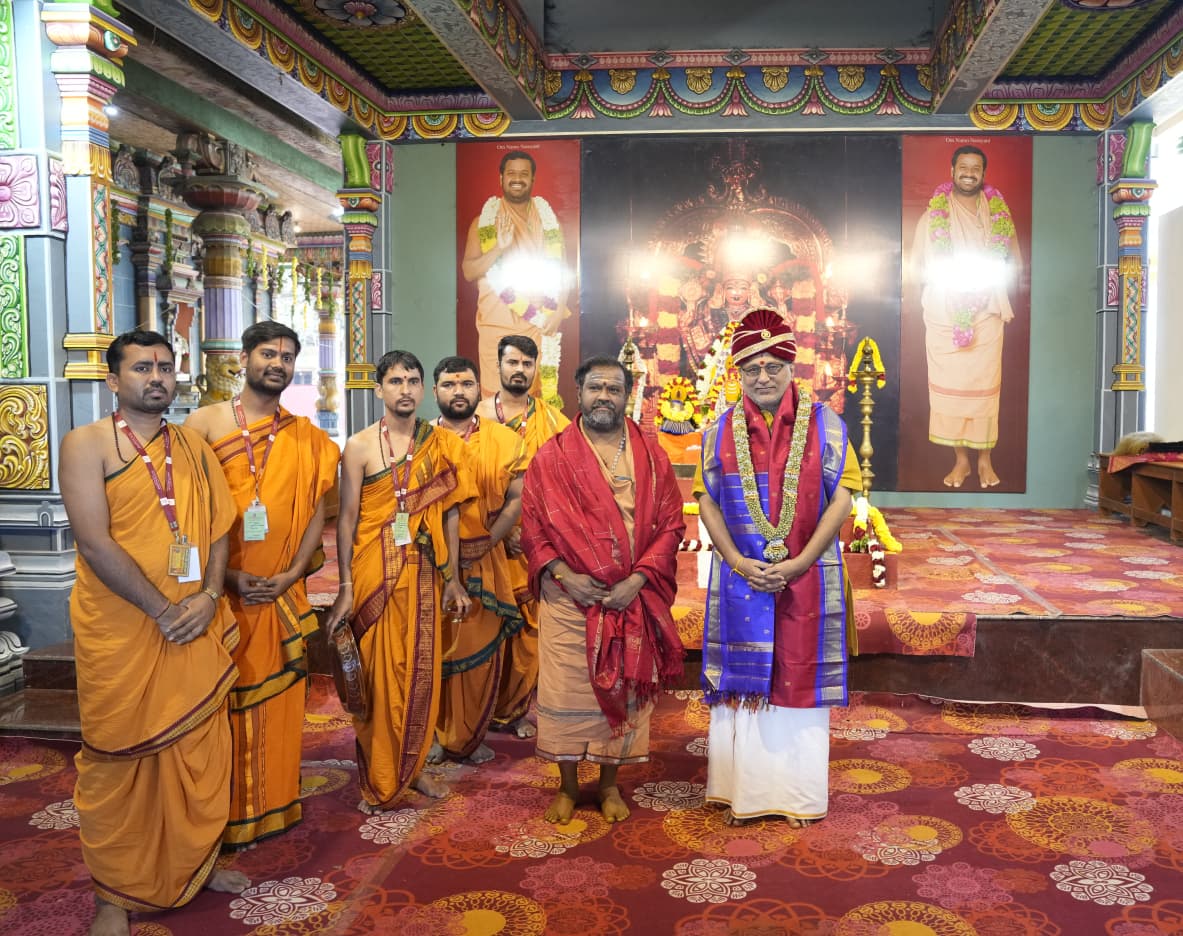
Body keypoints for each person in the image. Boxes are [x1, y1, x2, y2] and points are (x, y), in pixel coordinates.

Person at [59, 330, 249, 936]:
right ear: (114, 380)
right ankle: (113, 893)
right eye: (143, 368)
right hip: (123, 629)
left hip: (195, 617)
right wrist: (162, 610)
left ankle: (199, 859)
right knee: (118, 759)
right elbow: (94, 542)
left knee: (201, 746)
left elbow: (219, 527)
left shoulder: (192, 446)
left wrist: (211, 594)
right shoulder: (85, 445)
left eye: (166, 367)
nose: (158, 377)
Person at [694, 308, 862, 828]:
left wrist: (801, 562)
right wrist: (741, 563)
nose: (762, 377)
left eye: (772, 366)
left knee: (797, 678)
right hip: (740, 580)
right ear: (737, 374)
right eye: (751, 369)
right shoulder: (718, 429)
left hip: (807, 577)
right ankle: (740, 793)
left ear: (792, 367)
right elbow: (707, 501)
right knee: (743, 688)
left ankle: (797, 797)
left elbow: (845, 495)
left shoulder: (825, 425)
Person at [184, 320, 339, 848]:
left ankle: (272, 805)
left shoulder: (307, 438)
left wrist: (294, 574)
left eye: (288, 356)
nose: (278, 363)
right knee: (225, 706)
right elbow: (186, 516)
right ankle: (221, 817)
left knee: (280, 707)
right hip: (221, 595)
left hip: (281, 594)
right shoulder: (203, 426)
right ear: (244, 357)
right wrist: (224, 576)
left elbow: (317, 510)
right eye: (268, 353)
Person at [520, 355, 685, 825]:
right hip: (569, 599)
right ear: (579, 392)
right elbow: (531, 528)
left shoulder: (651, 456)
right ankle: (569, 787)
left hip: (630, 597)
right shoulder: (552, 456)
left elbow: (672, 525)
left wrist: (637, 580)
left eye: (614, 389)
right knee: (568, 694)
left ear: (627, 395)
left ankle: (610, 784)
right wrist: (564, 576)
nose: (604, 397)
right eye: (596, 388)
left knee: (624, 691)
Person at [325, 350, 475, 813]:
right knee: (377, 677)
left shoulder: (443, 444)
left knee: (420, 674)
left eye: (412, 380)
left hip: (426, 572)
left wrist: (453, 578)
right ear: (379, 389)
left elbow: (449, 513)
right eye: (395, 381)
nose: (405, 389)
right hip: (374, 573)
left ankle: (414, 769)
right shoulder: (359, 446)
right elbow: (347, 520)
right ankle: (382, 772)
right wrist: (346, 586)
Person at [428, 355, 528, 765]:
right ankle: (433, 733)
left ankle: (470, 735)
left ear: (478, 390)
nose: (458, 392)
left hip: (487, 558)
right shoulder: (420, 441)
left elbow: (517, 500)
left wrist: (489, 542)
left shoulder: (506, 440)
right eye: (449, 385)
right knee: (432, 649)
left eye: (466, 384)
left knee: (482, 651)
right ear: (434, 391)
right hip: (430, 562)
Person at [910, 144, 1023, 488]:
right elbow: (918, 269)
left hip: (986, 310)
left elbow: (1014, 264)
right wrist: (940, 299)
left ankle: (985, 460)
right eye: (963, 167)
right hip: (946, 314)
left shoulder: (999, 216)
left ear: (983, 173)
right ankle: (960, 461)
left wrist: (989, 293)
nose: (969, 173)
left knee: (985, 388)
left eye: (976, 168)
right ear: (952, 171)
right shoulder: (932, 218)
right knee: (951, 390)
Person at [476, 334, 570, 738]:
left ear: (536, 369)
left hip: (535, 544)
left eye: (526, 364)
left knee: (528, 631)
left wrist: (529, 535)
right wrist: (500, 532)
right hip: (485, 541)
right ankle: (478, 710)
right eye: (512, 362)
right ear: (497, 366)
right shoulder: (476, 416)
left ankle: (513, 711)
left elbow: (567, 488)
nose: (519, 370)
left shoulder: (555, 422)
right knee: (486, 625)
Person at [461, 150, 569, 397]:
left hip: (537, 322)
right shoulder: (483, 223)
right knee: (495, 399)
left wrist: (559, 309)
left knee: (531, 398)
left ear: (532, 180)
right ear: (500, 179)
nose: (517, 179)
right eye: (511, 173)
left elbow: (563, 273)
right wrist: (499, 246)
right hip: (495, 325)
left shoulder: (550, 224)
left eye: (524, 174)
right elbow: (469, 271)